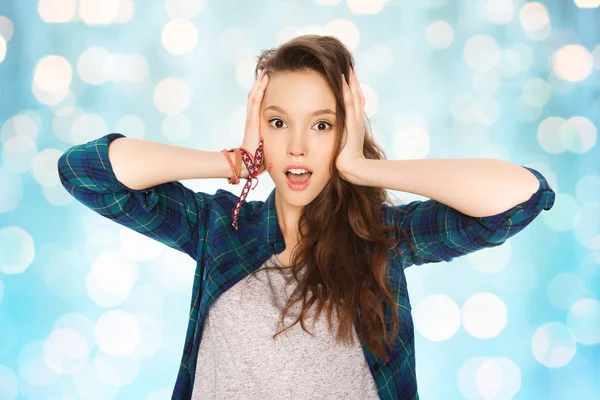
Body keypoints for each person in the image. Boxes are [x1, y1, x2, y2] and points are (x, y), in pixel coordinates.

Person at [57, 34, 556, 400]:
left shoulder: (381, 238)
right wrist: (231, 162)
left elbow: (522, 197)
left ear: (344, 132)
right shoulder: (218, 229)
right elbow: (85, 172)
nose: (297, 146)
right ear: (260, 129)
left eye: (322, 125)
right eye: (278, 123)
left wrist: (363, 165)